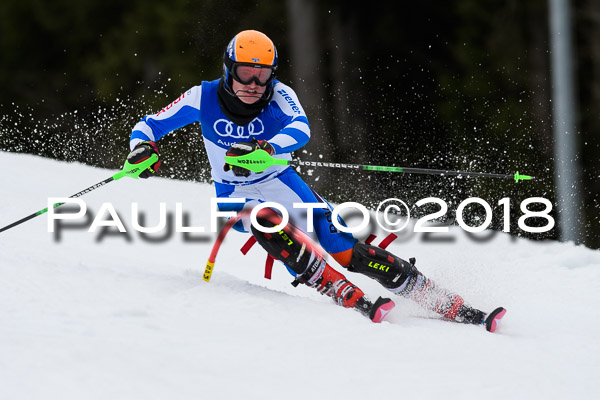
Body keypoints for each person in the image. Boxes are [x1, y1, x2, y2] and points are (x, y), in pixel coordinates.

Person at [125, 30, 505, 331]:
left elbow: (301, 129)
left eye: (263, 75)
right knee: (263, 218)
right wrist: (142, 148)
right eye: (246, 72)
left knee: (341, 245)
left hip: (279, 178)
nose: (254, 84)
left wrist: (264, 148)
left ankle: (432, 295)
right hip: (234, 192)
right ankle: (331, 284)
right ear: (228, 67)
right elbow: (149, 125)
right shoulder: (201, 97)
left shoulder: (279, 95)